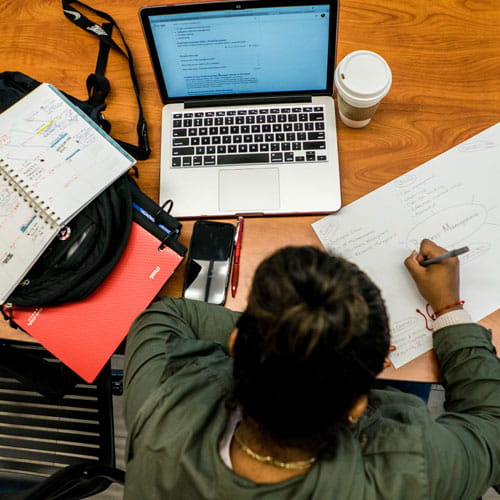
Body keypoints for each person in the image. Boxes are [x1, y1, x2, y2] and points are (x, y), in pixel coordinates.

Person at [123, 239, 500, 499]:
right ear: (355, 408)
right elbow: (492, 423)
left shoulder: (160, 398)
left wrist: (288, 334)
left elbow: (165, 316)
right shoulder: (412, 467)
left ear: (237, 344)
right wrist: (449, 310)